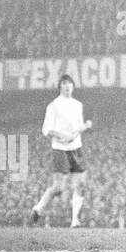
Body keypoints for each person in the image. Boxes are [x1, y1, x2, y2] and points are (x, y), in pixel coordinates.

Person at [30, 74, 92, 227]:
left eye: (70, 83)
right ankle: (38, 208)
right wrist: (61, 135)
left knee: (81, 185)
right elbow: (46, 129)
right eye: (64, 83)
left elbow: (77, 128)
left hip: (76, 148)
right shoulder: (53, 106)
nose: (67, 86)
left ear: (73, 86)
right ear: (60, 87)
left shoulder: (78, 105)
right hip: (60, 149)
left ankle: (75, 220)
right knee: (59, 188)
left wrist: (84, 127)